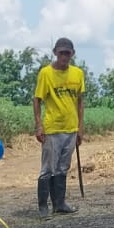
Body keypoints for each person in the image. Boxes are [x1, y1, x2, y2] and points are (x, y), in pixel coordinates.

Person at [33, 38, 85, 216]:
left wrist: (80, 127)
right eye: (61, 53)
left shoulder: (78, 74)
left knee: (63, 168)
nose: (64, 57)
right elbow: (37, 100)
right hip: (52, 129)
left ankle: (59, 204)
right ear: (55, 52)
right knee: (48, 169)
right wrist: (39, 126)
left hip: (71, 128)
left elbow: (80, 101)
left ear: (72, 54)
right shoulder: (46, 73)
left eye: (67, 53)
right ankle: (43, 207)